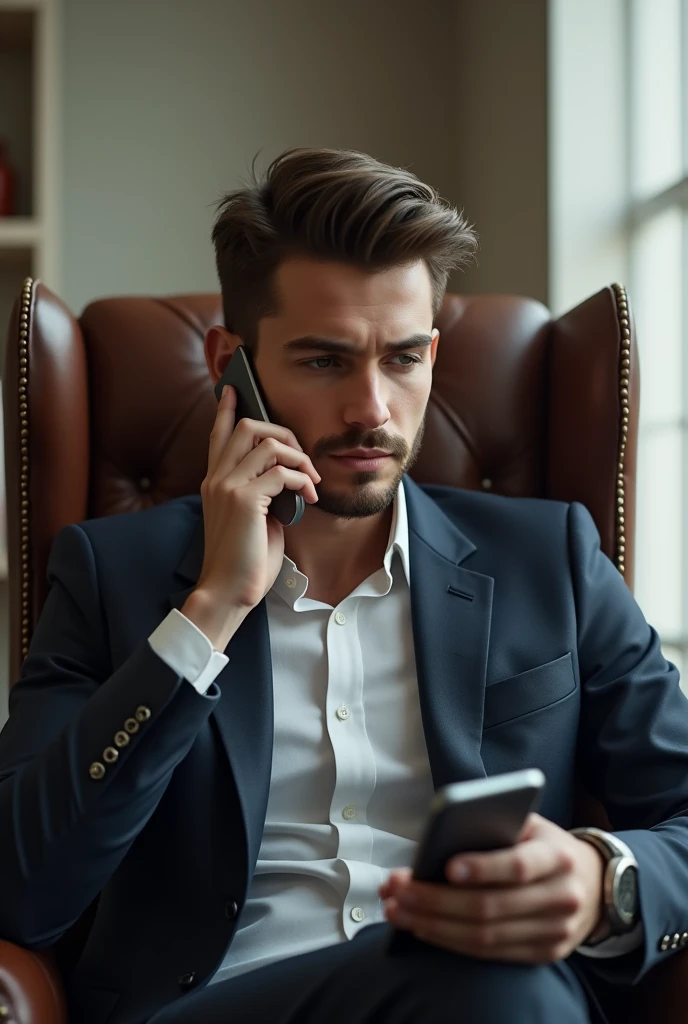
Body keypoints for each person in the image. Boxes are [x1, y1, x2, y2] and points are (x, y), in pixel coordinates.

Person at [0, 148, 687, 1024]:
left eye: (403, 360)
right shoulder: (112, 574)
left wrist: (605, 881)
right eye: (324, 362)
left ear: (434, 355)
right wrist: (210, 610)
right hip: (216, 1005)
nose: (372, 408)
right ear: (230, 365)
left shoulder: (546, 558)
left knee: (496, 977)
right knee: (491, 978)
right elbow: (22, 890)